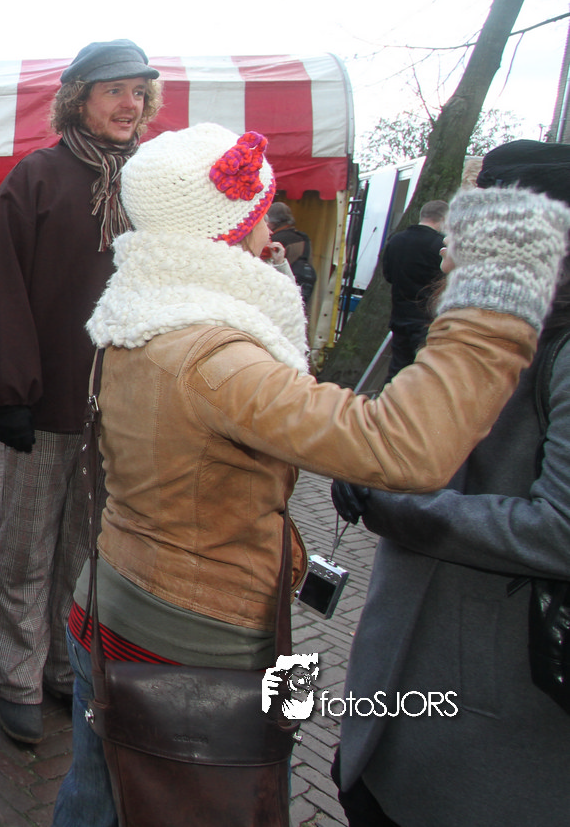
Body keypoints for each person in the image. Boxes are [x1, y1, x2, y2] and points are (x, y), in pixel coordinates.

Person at [50, 123, 569, 826]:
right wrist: (493, 297)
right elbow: (405, 445)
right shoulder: (217, 359)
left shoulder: (141, 311)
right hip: (193, 647)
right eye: (262, 212)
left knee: (98, 796)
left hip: (110, 604)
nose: (273, 227)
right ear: (235, 230)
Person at [333, 140, 570, 827]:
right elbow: (420, 435)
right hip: (415, 693)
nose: (447, 250)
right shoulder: (488, 322)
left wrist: (399, 505)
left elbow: (559, 529)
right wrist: (370, 464)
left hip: (490, 715)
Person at [0, 38, 161, 744]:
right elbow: (1, 287)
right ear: (79, 99)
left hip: (121, 411)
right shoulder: (37, 177)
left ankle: (63, 669)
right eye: (114, 90)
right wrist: (10, 393)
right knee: (26, 551)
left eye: (138, 92)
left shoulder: (155, 183)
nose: (129, 104)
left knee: (87, 551)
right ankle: (18, 679)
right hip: (46, 403)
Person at [382, 199, 449, 382]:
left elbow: (388, 275)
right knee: (423, 375)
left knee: (397, 371)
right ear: (444, 219)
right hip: (427, 320)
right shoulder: (440, 246)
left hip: (399, 316)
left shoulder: (396, 240)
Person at [267, 200, 316, 307]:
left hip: (283, 290)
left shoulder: (276, 241)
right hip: (301, 287)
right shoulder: (303, 237)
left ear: (274, 222)